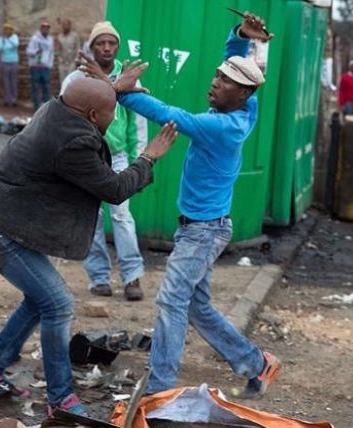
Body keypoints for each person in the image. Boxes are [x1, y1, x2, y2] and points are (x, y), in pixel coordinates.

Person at [84, 12, 281, 398]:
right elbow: (238, 63)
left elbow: (171, 116)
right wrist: (243, 36)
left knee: (172, 299)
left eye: (225, 82)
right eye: (217, 75)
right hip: (199, 227)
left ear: (242, 94)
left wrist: (123, 92)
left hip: (203, 232)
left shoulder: (220, 127)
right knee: (197, 306)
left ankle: (159, 391)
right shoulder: (245, 108)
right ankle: (257, 364)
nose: (215, 82)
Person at [0, 78, 178, 416]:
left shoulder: (58, 107)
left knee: (41, 301)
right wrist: (149, 156)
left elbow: (79, 94)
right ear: (92, 115)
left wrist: (110, 89)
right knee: (58, 303)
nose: (114, 119)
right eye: (111, 113)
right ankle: (60, 399)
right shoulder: (72, 141)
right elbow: (115, 189)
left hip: (0, 219)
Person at [61, 21, 148, 301]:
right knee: (92, 218)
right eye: (101, 43)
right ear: (92, 46)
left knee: (121, 216)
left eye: (112, 43)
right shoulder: (76, 80)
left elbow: (139, 123)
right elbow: (61, 119)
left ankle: (132, 277)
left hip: (119, 157)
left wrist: (140, 162)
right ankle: (99, 278)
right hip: (87, 159)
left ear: (117, 47)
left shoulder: (129, 79)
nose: (107, 48)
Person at [26, 20, 54, 110]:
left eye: (47, 28)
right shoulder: (35, 39)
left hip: (45, 66)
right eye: (43, 28)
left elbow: (51, 53)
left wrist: (50, 64)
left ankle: (45, 107)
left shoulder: (50, 40)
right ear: (41, 29)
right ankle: (36, 107)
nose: (45, 30)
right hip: (35, 66)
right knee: (35, 87)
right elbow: (28, 51)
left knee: (46, 87)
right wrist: (35, 51)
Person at [0, 23, 19, 106]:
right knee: (5, 81)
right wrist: (6, 45)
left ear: (11, 30)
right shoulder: (1, 38)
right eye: (5, 29)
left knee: (13, 81)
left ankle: (14, 99)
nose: (7, 31)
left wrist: (7, 41)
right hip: (4, 61)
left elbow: (15, 45)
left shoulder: (14, 37)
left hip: (13, 61)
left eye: (9, 29)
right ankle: (7, 99)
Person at [57, 19, 80, 83]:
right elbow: (59, 49)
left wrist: (76, 61)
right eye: (64, 25)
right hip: (62, 63)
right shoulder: (60, 37)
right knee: (62, 81)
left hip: (71, 63)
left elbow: (77, 49)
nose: (65, 26)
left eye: (67, 25)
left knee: (70, 81)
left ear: (70, 26)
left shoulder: (75, 36)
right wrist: (59, 60)